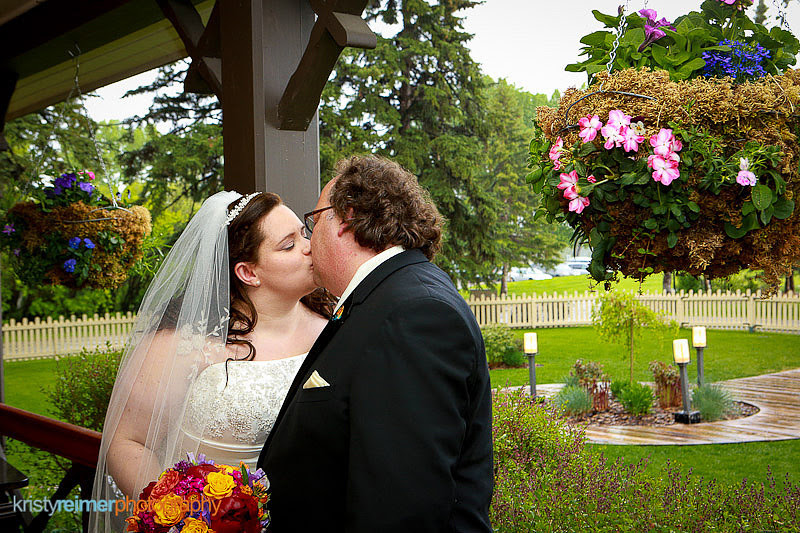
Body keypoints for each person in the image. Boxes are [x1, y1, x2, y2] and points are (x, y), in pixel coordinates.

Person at [258, 156, 494, 532]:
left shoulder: (413, 314)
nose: (309, 242)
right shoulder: (385, 298)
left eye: (313, 222)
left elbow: (402, 506)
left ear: (346, 217)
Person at [89, 191, 330, 532]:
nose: (310, 246)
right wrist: (180, 519)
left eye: (304, 234)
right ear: (248, 272)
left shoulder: (335, 325)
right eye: (289, 245)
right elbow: (127, 443)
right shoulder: (184, 344)